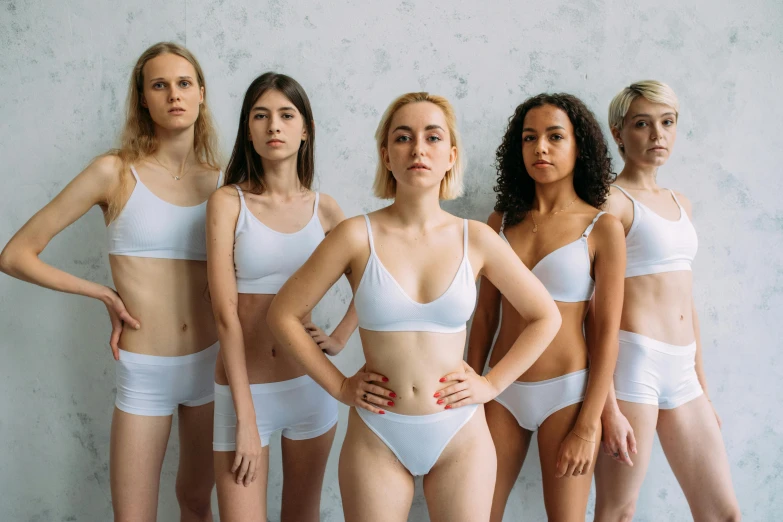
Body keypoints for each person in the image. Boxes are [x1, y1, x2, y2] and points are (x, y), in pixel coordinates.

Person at [266, 92, 562, 522]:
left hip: (460, 434)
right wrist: (339, 386)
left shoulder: (475, 238)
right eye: (403, 137)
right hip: (377, 435)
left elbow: (545, 316)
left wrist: (492, 385)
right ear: (386, 155)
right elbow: (283, 314)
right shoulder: (355, 235)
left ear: (450, 155)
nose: (418, 148)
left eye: (432, 137)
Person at [0, 42, 222, 521]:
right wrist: (100, 291)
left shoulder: (223, 181)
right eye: (158, 85)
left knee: (197, 503)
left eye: (184, 83)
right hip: (145, 371)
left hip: (211, 365)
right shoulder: (114, 171)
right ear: (143, 99)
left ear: (202, 93)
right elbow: (15, 255)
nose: (174, 95)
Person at [467, 93, 626, 521]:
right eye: (529, 137)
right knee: (477, 513)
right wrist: (470, 391)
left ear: (579, 147)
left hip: (567, 394)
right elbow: (483, 317)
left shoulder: (602, 227)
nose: (540, 147)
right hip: (501, 390)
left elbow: (607, 331)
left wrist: (590, 423)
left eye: (555, 137)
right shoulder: (499, 222)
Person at [206, 72, 354, 522]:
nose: (274, 126)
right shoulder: (228, 203)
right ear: (248, 129)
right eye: (261, 115)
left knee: (302, 516)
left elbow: (376, 286)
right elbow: (225, 314)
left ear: (305, 128)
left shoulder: (324, 209)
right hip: (243, 390)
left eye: (286, 115)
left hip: (311, 387)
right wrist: (245, 419)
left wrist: (341, 337)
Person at [593, 80, 741, 522]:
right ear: (619, 133)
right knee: (619, 511)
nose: (658, 134)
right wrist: (608, 407)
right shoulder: (608, 202)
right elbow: (590, 308)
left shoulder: (682, 203)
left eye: (667, 122)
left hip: (684, 371)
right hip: (634, 365)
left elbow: (686, 300)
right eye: (642, 124)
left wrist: (703, 390)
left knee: (722, 513)